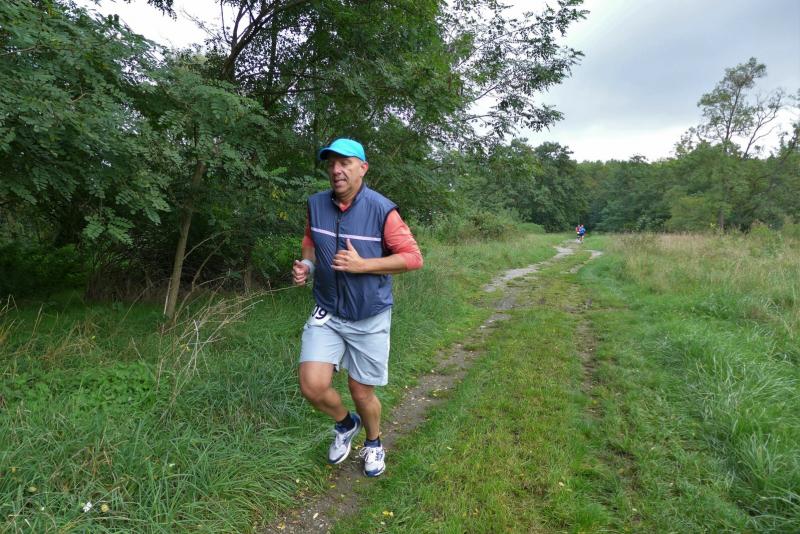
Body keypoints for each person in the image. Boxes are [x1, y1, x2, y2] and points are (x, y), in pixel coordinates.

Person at [292, 138, 423, 477]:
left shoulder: (382, 210)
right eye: (331, 164)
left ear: (362, 168)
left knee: (361, 391)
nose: (336, 170)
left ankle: (374, 442)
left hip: (369, 315)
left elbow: (413, 258)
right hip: (328, 311)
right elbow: (310, 241)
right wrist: (307, 266)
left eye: (345, 163)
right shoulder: (316, 204)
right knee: (312, 385)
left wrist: (363, 265)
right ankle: (345, 423)